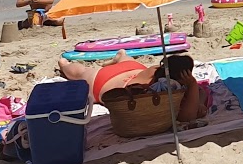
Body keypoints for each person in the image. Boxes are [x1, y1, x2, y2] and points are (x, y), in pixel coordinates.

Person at [59, 51, 208, 124]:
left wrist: (199, 100)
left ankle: (120, 56)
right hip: (106, 81)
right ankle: (63, 64)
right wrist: (193, 86)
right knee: (82, 73)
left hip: (132, 69)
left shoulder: (158, 70)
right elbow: (186, 117)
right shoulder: (159, 90)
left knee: (88, 70)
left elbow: (201, 92)